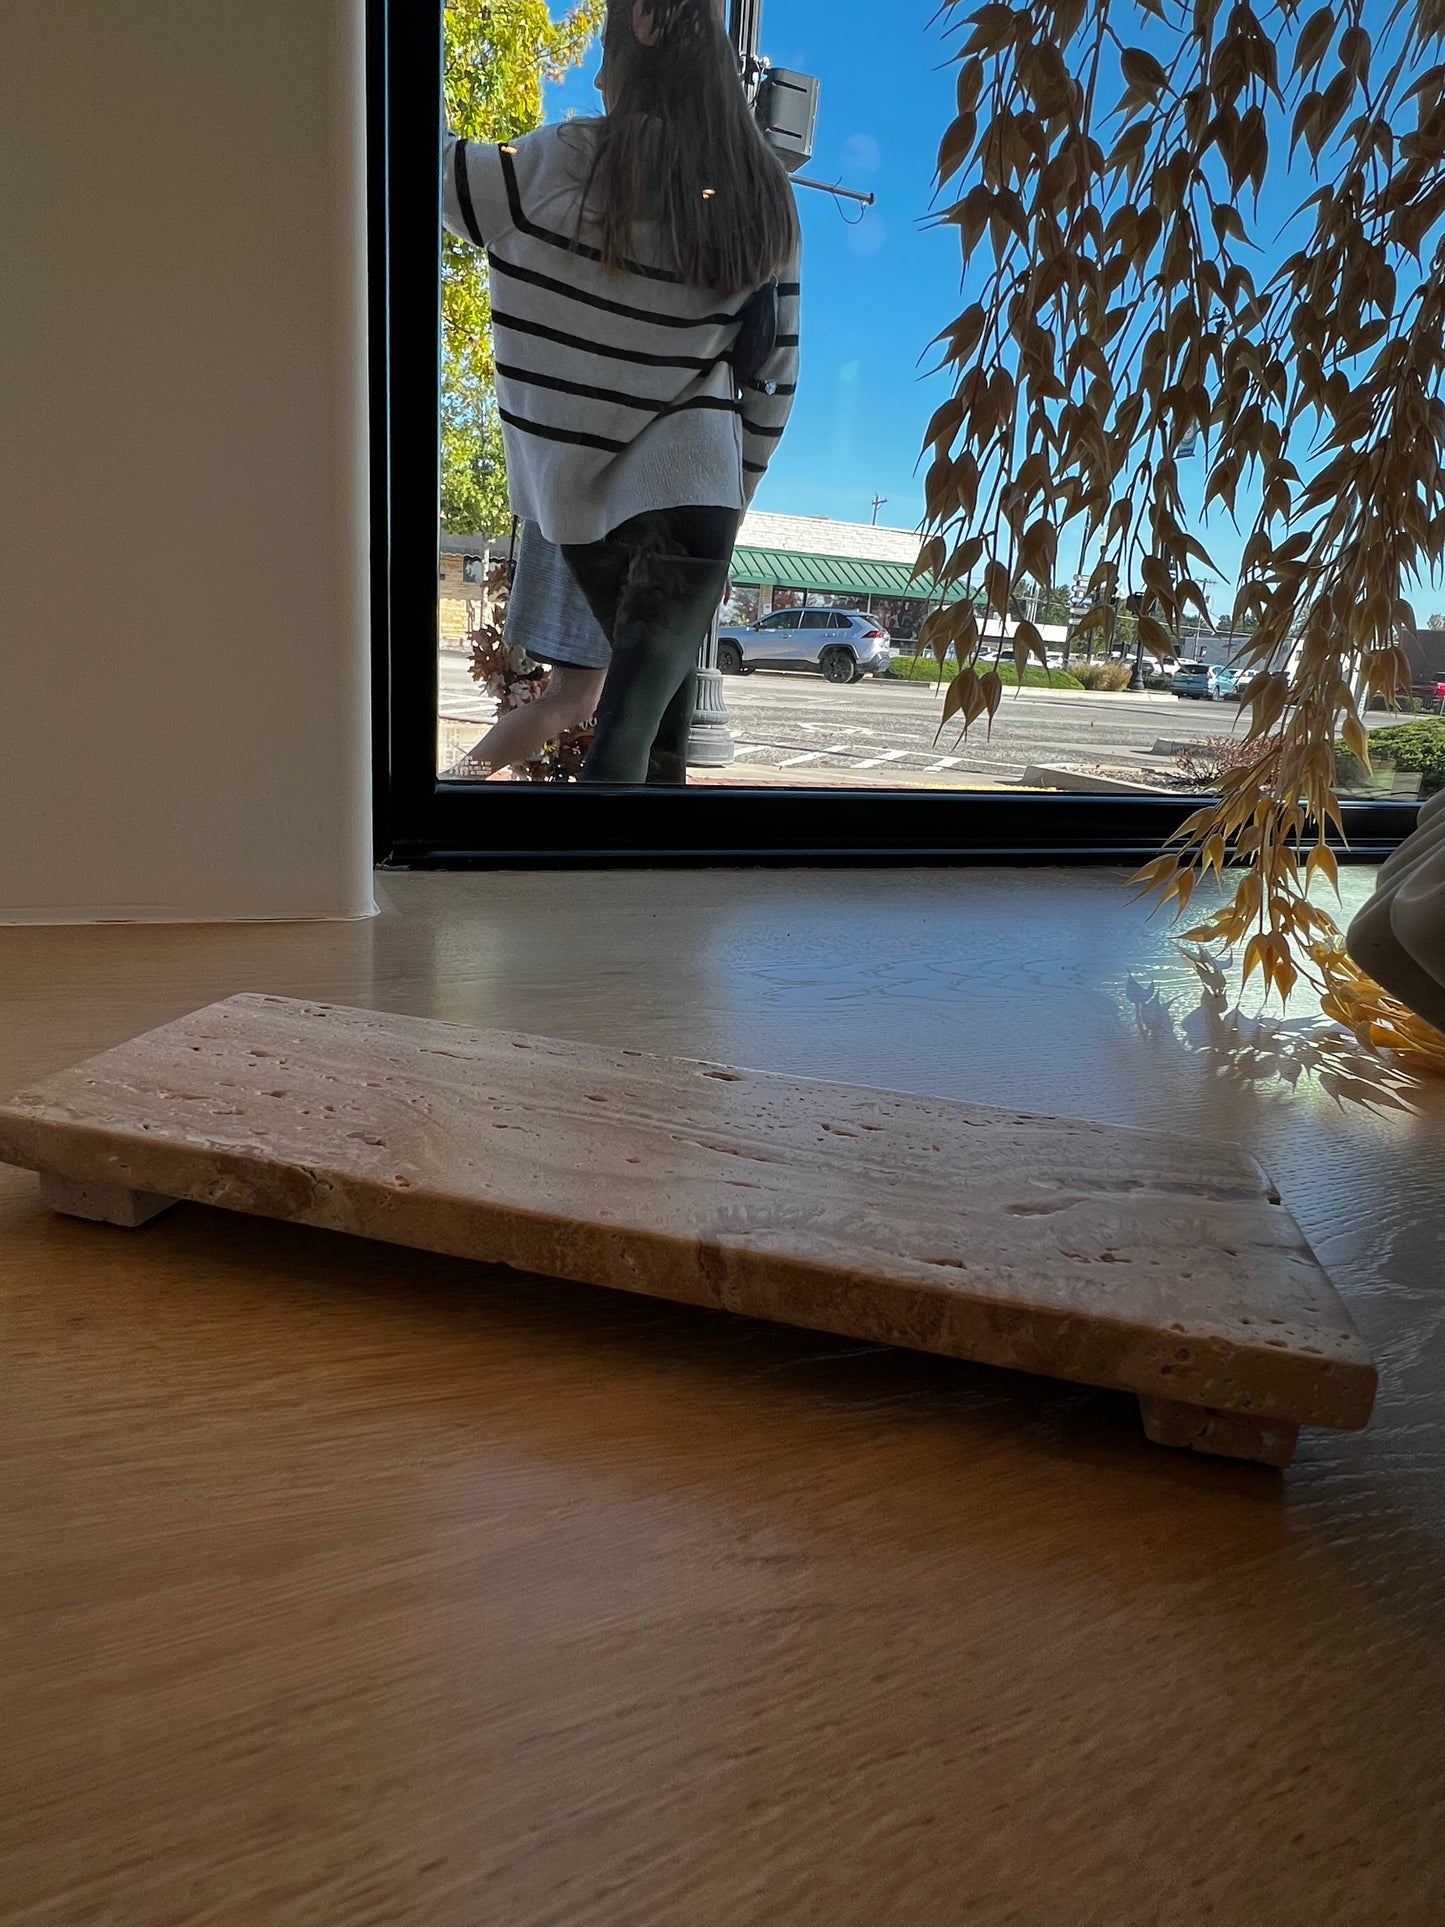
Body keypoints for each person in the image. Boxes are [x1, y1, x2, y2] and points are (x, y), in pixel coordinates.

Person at [443, 0, 800, 784]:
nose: (598, 77)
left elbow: (435, 169)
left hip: (583, 514)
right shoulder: (761, 195)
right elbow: (774, 376)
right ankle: (650, 903)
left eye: (603, 52)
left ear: (642, 24)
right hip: (697, 500)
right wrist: (734, 497)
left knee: (625, 754)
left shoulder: (564, 163)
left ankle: (589, 893)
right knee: (641, 749)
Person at [445, 521, 609, 779]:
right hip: (601, 536)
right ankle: (458, 778)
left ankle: (458, 778)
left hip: (575, 527)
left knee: (578, 700)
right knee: (576, 700)